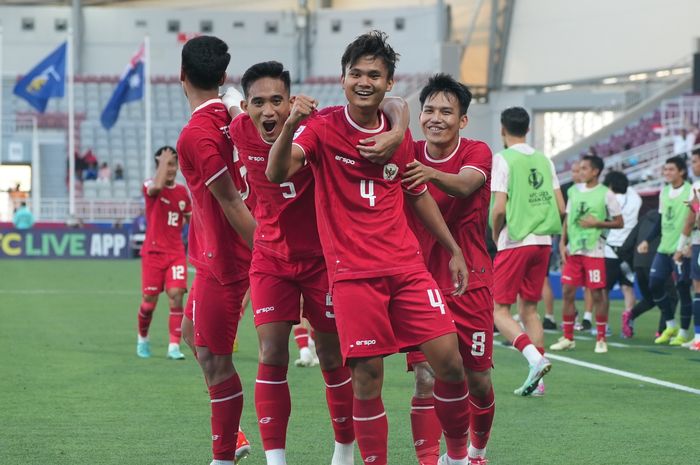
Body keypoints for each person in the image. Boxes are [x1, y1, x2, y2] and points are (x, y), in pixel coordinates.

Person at [268, 31, 472, 465]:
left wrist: (452, 248)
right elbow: (277, 170)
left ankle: (457, 458)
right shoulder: (321, 129)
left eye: (374, 75)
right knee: (367, 377)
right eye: (356, 73)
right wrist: (289, 124)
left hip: (406, 268)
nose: (364, 81)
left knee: (450, 363)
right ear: (342, 79)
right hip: (354, 275)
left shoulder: (399, 135)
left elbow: (416, 193)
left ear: (389, 83)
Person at [225, 60, 406, 465]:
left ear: (291, 102)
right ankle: (276, 460)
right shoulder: (237, 128)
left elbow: (392, 101)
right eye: (259, 103)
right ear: (248, 105)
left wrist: (397, 131)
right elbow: (226, 105)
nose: (268, 112)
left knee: (330, 356)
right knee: (271, 352)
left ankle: (343, 451)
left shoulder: (318, 124)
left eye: (277, 101)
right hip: (271, 258)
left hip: (324, 260)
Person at [398, 74, 495, 465]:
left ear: (463, 120)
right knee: (425, 378)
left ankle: (477, 452)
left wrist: (426, 171)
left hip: (468, 279)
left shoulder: (478, 152)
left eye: (446, 111)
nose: (436, 118)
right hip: (418, 282)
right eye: (429, 110)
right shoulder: (405, 150)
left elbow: (463, 185)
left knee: (477, 381)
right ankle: (434, 460)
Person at [176, 35, 257, 465]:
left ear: (181, 76)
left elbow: (230, 202)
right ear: (224, 76)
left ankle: (224, 453)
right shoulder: (234, 116)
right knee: (193, 337)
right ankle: (233, 433)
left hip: (226, 261)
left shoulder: (196, 134)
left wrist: (265, 256)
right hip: (212, 255)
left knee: (214, 358)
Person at [491, 106, 564, 395]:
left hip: (516, 240)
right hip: (543, 242)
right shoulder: (545, 160)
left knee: (498, 310)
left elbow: (498, 208)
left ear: (502, 129)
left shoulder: (503, 158)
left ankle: (535, 359)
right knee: (530, 309)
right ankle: (539, 383)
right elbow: (560, 206)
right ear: (528, 129)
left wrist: (496, 234)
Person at [551, 154, 623, 353]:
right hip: (574, 251)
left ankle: (601, 338)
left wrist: (597, 223)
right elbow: (568, 218)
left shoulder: (606, 194)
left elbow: (619, 222)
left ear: (595, 171)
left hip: (594, 251)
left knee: (598, 294)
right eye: (579, 168)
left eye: (584, 168)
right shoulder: (573, 191)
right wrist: (562, 242)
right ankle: (568, 337)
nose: (580, 172)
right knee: (567, 292)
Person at [136, 146, 192, 361]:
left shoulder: (182, 191)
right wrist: (162, 163)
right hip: (153, 253)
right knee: (149, 302)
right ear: (159, 165)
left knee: (176, 295)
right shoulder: (149, 185)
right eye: (167, 164)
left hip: (176, 253)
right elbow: (156, 188)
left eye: (174, 164)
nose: (171, 168)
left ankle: (173, 346)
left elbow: (192, 219)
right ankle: (143, 338)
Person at [637, 156, 694, 346]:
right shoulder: (664, 192)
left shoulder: (691, 191)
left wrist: (688, 244)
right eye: (665, 169)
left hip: (682, 247)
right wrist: (647, 240)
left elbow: (693, 220)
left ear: (681, 172)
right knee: (654, 284)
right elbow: (661, 221)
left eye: (671, 169)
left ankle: (684, 332)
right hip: (664, 247)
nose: (666, 172)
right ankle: (671, 324)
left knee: (683, 289)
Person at [602, 171, 642, 327]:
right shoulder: (636, 198)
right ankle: (628, 321)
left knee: (604, 290)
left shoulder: (608, 199)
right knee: (627, 287)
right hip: (628, 251)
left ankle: (603, 324)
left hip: (609, 250)